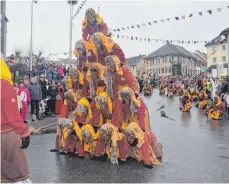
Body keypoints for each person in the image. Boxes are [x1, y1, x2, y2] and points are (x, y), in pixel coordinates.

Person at [1, 56, 31, 183]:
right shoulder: (4, 85)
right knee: (17, 174)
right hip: (6, 133)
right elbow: (12, 114)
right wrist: (24, 132)